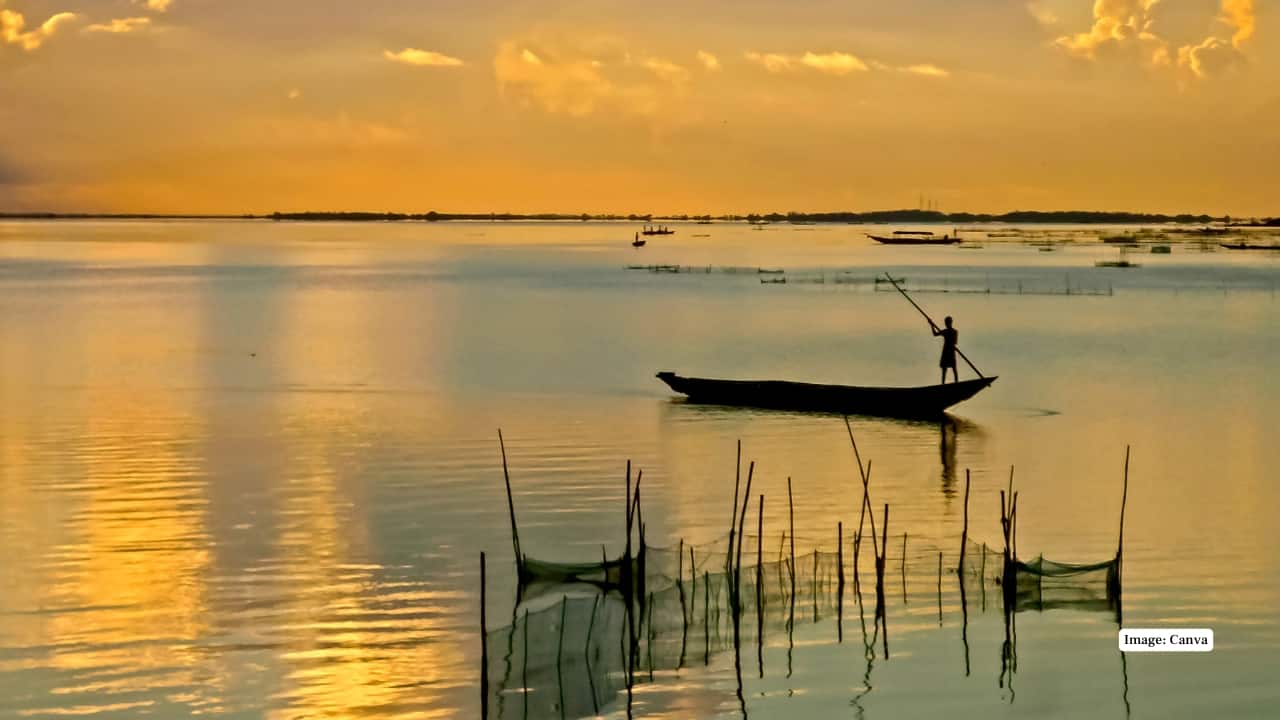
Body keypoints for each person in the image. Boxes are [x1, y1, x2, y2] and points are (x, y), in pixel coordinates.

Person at [932, 316, 958, 384]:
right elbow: (935, 334)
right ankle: (943, 384)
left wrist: (949, 339)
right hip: (946, 351)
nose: (946, 324)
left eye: (947, 323)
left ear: (950, 323)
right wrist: (931, 325)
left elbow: (955, 342)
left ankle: (956, 383)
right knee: (944, 369)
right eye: (946, 323)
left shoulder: (954, 332)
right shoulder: (945, 331)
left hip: (951, 351)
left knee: (954, 368)